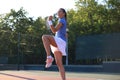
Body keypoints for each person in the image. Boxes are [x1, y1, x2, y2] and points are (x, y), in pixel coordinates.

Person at [42, 8, 67, 80]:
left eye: (60, 11)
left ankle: (49, 57)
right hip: (60, 43)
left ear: (63, 13)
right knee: (59, 64)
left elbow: (54, 30)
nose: (58, 12)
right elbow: (59, 32)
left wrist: (50, 21)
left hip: (60, 42)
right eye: (58, 11)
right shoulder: (62, 21)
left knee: (44, 37)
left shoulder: (62, 20)